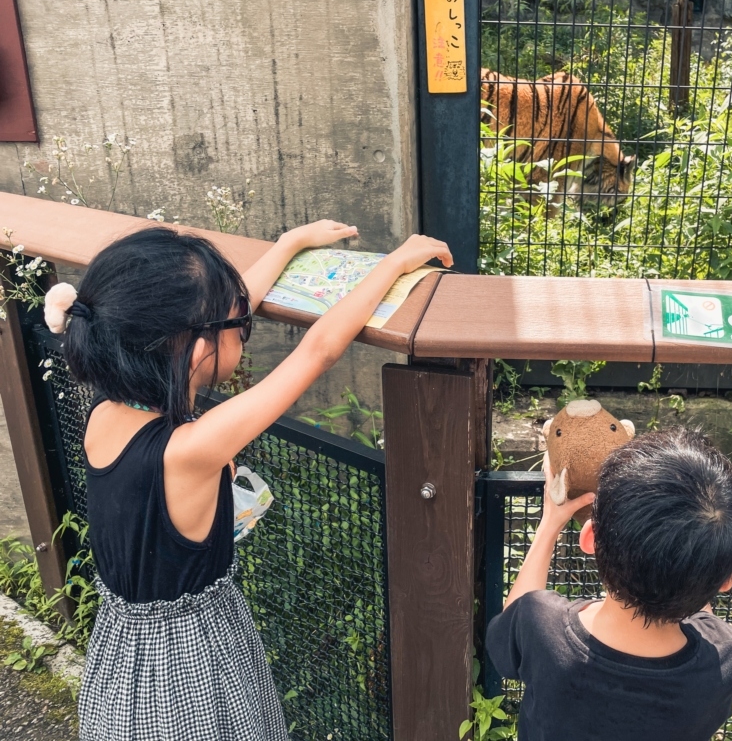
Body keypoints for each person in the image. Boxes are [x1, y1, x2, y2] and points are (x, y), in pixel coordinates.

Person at [45, 221, 452, 741]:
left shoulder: (106, 409)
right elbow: (318, 351)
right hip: (193, 668)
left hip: (125, 660)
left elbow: (215, 323)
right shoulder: (191, 450)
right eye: (242, 325)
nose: (246, 324)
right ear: (194, 350)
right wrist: (393, 264)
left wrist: (288, 245)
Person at [486, 426, 732, 741]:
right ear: (726, 580)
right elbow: (702, 613)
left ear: (590, 537)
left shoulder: (540, 626)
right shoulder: (727, 658)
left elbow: (507, 635)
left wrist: (550, 523)